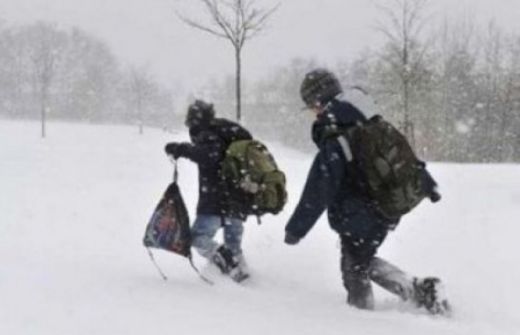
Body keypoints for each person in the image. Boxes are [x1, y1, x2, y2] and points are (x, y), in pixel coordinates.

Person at [284, 68, 450, 314]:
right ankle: (416, 292)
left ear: (318, 101)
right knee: (360, 259)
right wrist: (427, 183)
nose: (312, 113)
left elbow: (319, 188)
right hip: (386, 204)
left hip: (360, 212)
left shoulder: (337, 135)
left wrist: (296, 229)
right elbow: (403, 156)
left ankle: (365, 319)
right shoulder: (371, 121)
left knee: (354, 268)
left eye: (311, 106)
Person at [164, 100, 252, 282]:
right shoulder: (227, 132)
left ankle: (229, 264)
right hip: (239, 200)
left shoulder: (209, 133)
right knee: (234, 245)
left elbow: (210, 156)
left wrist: (181, 149)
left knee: (197, 237)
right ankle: (245, 280)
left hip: (216, 200)